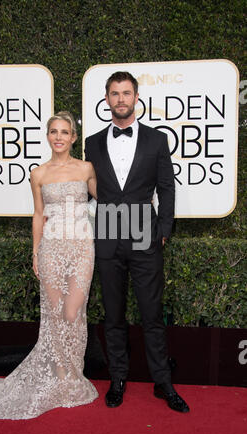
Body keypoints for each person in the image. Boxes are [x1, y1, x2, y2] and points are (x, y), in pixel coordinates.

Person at [0, 111, 98, 419]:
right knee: (53, 315)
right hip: (50, 248)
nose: (59, 137)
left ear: (74, 138)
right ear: (48, 136)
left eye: (65, 132)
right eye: (54, 132)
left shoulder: (86, 168)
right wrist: (36, 253)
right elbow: (38, 215)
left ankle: (75, 376)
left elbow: (107, 200)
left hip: (81, 248)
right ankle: (62, 380)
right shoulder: (38, 173)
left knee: (73, 312)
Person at [85, 71, 189, 413]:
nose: (120, 99)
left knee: (151, 314)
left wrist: (164, 229)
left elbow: (167, 187)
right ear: (106, 99)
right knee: (113, 314)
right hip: (108, 233)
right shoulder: (93, 142)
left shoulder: (157, 140)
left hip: (145, 232)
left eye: (126, 93)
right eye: (114, 93)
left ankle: (163, 382)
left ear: (136, 97)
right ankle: (117, 380)